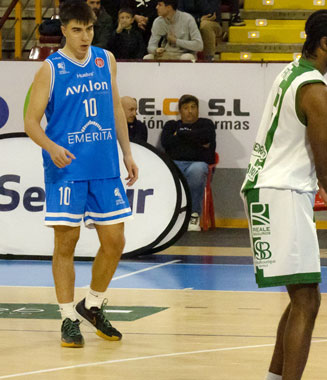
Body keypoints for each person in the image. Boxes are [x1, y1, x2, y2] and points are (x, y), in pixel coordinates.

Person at [239, 10, 327, 380]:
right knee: (307, 300)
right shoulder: (318, 93)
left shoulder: (292, 70)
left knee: (303, 295)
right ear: (325, 44)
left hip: (271, 188)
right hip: (279, 193)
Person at [23, 0, 139, 348]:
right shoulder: (51, 68)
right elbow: (30, 122)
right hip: (68, 169)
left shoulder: (107, 59)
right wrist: (51, 146)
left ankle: (92, 303)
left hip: (104, 166)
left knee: (115, 242)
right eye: (77, 30)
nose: (84, 36)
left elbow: (116, 107)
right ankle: (67, 318)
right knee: (65, 244)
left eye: (88, 29)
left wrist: (128, 152)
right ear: (64, 31)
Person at [160, 95, 216, 232]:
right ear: (180, 111)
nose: (190, 111)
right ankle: (171, 215)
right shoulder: (171, 125)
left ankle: (193, 214)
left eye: (193, 107)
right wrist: (196, 139)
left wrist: (180, 134)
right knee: (166, 171)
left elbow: (207, 139)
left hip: (197, 164)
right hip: (175, 164)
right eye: (185, 108)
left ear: (198, 109)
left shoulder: (207, 124)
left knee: (196, 170)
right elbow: (166, 143)